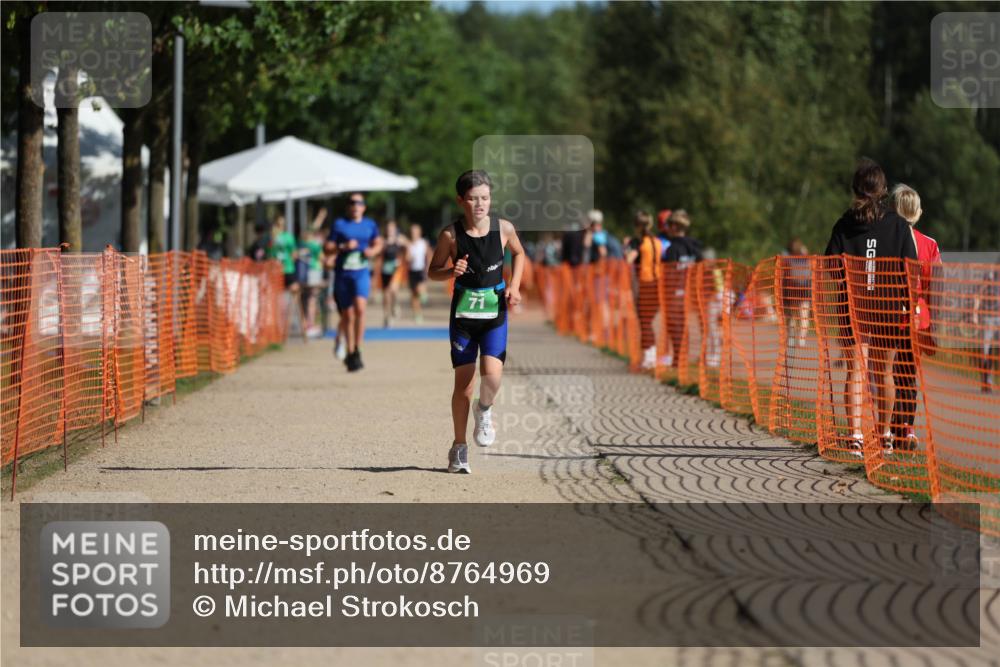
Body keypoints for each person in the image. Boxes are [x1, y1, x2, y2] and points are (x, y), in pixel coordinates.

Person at [428, 170, 525, 474]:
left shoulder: (504, 228)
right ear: (461, 201)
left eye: (484, 197)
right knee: (465, 385)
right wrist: (450, 272)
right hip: (464, 317)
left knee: (493, 377)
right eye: (473, 198)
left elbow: (519, 254)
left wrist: (515, 285)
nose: (480, 204)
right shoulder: (450, 235)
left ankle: (485, 410)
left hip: (494, 312)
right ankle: (459, 448)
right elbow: (433, 271)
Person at [824, 158, 917, 457]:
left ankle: (855, 437)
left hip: (854, 306)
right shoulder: (898, 225)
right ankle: (886, 434)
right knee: (884, 371)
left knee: (855, 370)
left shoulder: (844, 223)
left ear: (854, 189)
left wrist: (852, 281)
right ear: (884, 191)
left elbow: (830, 265)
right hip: (888, 308)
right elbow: (911, 269)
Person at [324, 193, 383, 372]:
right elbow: (327, 248)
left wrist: (372, 251)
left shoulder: (370, 224)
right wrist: (342, 247)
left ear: (363, 207)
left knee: (360, 308)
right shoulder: (339, 224)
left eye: (359, 203)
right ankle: (349, 351)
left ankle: (357, 348)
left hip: (361, 273)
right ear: (348, 207)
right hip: (343, 274)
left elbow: (378, 243)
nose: (355, 205)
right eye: (352, 202)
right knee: (347, 315)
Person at [661, 209, 702, 368]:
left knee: (675, 327)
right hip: (691, 293)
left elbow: (669, 273)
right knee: (684, 326)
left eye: (668, 225)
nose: (667, 229)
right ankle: (682, 358)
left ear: (675, 227)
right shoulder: (695, 248)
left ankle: (678, 359)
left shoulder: (672, 249)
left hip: (675, 294)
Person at [624, 211, 663, 370]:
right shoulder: (657, 241)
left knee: (644, 322)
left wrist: (626, 248)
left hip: (644, 284)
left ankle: (649, 357)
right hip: (658, 283)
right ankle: (651, 355)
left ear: (637, 226)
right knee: (650, 321)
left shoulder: (637, 242)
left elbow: (629, 259)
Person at [782, 238, 812, 349]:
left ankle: (792, 338)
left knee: (793, 316)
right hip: (803, 288)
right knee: (803, 316)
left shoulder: (788, 257)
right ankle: (801, 340)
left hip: (794, 288)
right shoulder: (805, 256)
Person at [974, 269, 999, 394]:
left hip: (997, 318)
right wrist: (975, 315)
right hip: (987, 319)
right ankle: (986, 381)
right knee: (985, 352)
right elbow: (978, 297)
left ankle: (989, 380)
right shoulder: (986, 282)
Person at [379, 220, 404, 328]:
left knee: (393, 290)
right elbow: (377, 253)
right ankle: (387, 316)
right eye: (388, 229)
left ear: (395, 229)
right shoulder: (382, 240)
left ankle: (395, 306)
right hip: (385, 268)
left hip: (396, 268)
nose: (390, 230)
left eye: (392, 228)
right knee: (386, 294)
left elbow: (409, 247)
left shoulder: (400, 239)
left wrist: (404, 257)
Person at [405, 223, 432, 323]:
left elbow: (429, 255)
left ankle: (423, 294)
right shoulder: (408, 244)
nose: (413, 234)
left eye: (415, 232)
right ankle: (417, 314)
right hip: (412, 271)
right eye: (412, 232)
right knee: (414, 295)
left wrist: (428, 268)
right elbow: (406, 259)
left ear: (419, 233)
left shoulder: (423, 243)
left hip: (421, 270)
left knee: (419, 289)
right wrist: (408, 251)